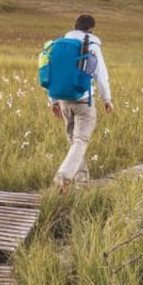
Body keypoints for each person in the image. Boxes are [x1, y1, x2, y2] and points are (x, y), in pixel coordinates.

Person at [49, 14, 113, 192]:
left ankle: (82, 181)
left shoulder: (60, 45)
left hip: (62, 99)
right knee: (81, 140)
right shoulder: (91, 45)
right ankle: (64, 175)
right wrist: (107, 99)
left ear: (74, 26)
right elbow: (101, 75)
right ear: (91, 29)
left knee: (74, 141)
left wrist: (53, 100)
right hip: (83, 99)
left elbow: (53, 72)